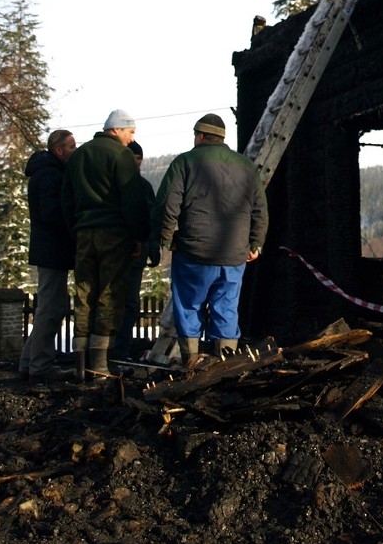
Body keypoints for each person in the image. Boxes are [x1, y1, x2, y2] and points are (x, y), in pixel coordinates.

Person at [152, 113, 268, 361]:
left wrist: (164, 238)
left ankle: (191, 363)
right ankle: (223, 367)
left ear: (201, 136)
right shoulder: (246, 166)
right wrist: (255, 243)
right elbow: (260, 208)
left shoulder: (185, 162)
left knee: (189, 306)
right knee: (226, 309)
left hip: (194, 253)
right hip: (234, 255)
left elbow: (166, 205)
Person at [61, 109, 151, 379]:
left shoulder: (79, 155)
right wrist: (138, 236)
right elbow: (132, 200)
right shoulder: (120, 155)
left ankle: (80, 362)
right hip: (114, 234)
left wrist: (74, 231)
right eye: (130, 132)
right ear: (117, 129)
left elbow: (67, 199)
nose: (131, 139)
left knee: (83, 293)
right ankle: (100, 365)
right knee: (109, 295)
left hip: (83, 233)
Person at [19, 129, 77, 383]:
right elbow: (52, 214)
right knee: (51, 308)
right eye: (72, 147)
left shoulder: (47, 173)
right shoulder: (51, 176)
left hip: (50, 250)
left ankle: (29, 359)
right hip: (53, 250)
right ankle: (41, 364)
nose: (75, 151)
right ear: (59, 150)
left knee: (50, 305)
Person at [112, 139, 161, 361]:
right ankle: (111, 349)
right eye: (134, 159)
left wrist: (152, 246)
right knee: (116, 302)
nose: (137, 163)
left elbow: (150, 220)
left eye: (139, 159)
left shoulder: (144, 187)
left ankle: (119, 349)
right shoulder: (118, 186)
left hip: (133, 255)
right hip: (118, 253)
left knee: (129, 303)